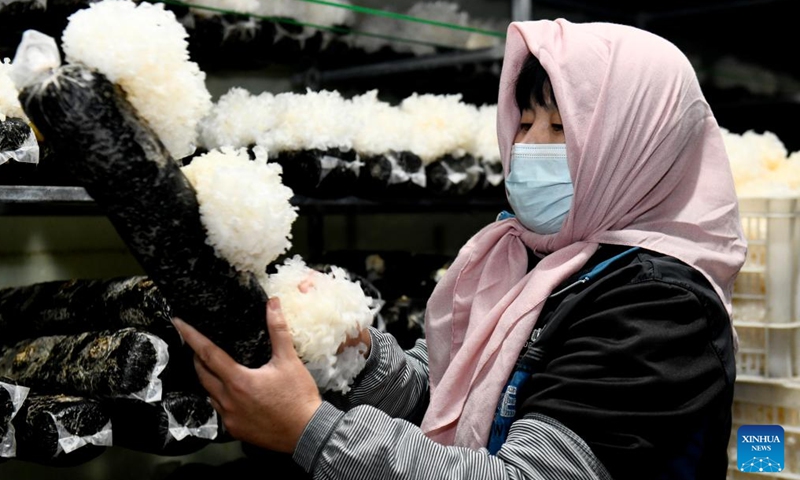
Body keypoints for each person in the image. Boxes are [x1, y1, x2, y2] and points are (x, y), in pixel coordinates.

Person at [172, 18, 747, 480]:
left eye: (560, 128)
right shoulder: (526, 255)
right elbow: (450, 399)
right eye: (523, 122)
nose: (526, 149)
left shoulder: (659, 306)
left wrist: (307, 429)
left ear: (640, 145)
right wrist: (361, 355)